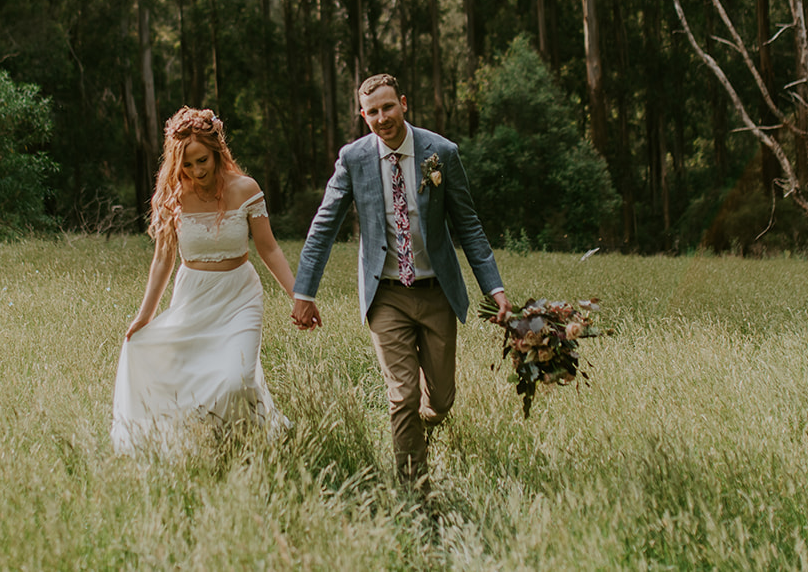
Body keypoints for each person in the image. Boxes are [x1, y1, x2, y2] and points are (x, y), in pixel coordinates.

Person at [290, 74, 511, 484]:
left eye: (388, 107)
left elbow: (469, 224)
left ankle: (425, 428)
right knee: (402, 396)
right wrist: (304, 292)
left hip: (436, 292)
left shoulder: (440, 152)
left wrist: (493, 288)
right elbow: (323, 227)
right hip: (386, 294)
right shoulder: (354, 159)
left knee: (440, 400)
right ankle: (414, 489)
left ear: (403, 103)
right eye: (372, 112)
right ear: (362, 115)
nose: (382, 118)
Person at [111, 107, 296, 454]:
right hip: (194, 297)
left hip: (240, 294)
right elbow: (162, 261)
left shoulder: (246, 190)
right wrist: (144, 316)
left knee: (237, 379)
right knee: (193, 377)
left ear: (217, 152)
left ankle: (245, 440)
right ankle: (223, 446)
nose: (196, 171)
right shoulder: (173, 198)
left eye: (202, 161)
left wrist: (297, 295)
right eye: (188, 164)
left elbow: (269, 248)